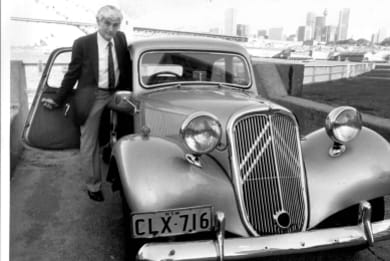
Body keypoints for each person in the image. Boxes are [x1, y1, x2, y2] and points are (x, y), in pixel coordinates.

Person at [42, 5, 131, 202]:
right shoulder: (82, 43)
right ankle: (94, 184)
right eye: (107, 24)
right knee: (89, 141)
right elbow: (72, 73)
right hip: (94, 95)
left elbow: (126, 66)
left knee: (135, 127)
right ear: (98, 22)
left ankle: (124, 173)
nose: (111, 29)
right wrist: (58, 99)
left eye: (115, 25)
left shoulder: (121, 38)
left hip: (117, 92)